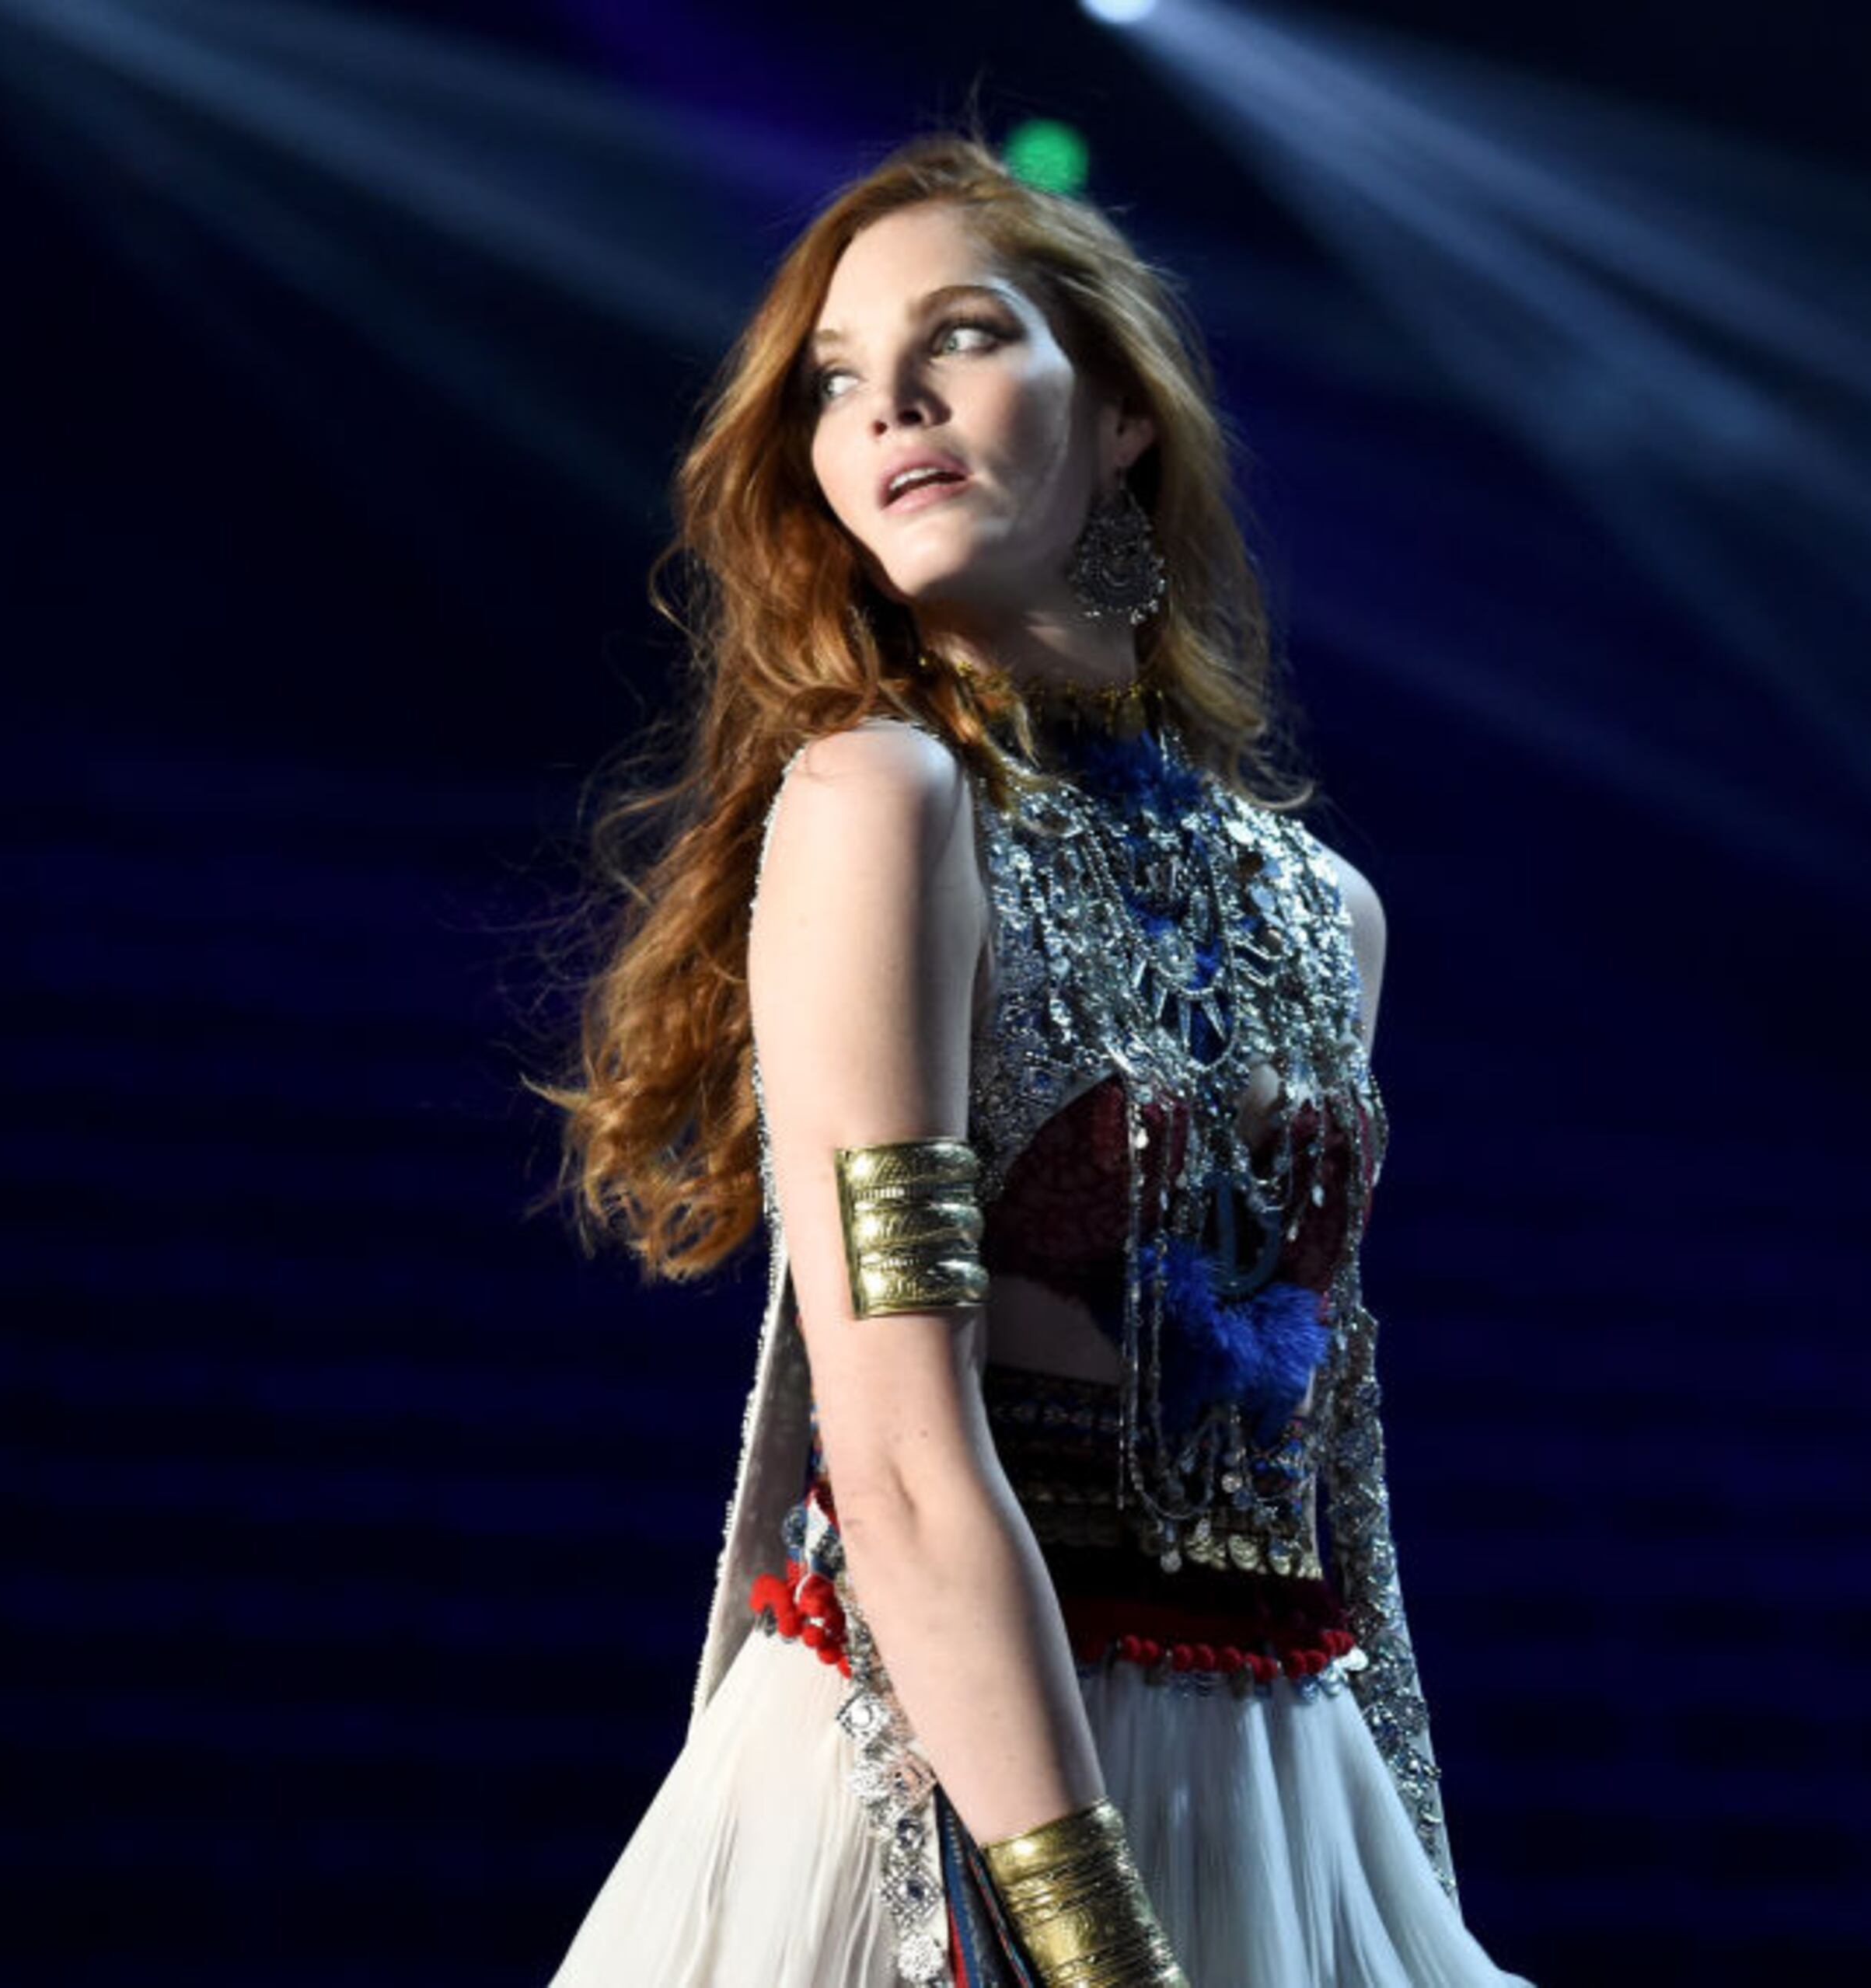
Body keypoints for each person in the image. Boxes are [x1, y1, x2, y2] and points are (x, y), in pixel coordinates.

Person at [530, 127, 1531, 1988]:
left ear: (1124, 411)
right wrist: (1094, 1954)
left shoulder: (1332, 912)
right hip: (949, 1793)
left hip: (1274, 1777)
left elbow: (1340, 1486)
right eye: (835, 381)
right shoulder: (877, 800)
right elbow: (900, 1457)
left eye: (959, 337)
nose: (887, 403)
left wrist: (1408, 1901)